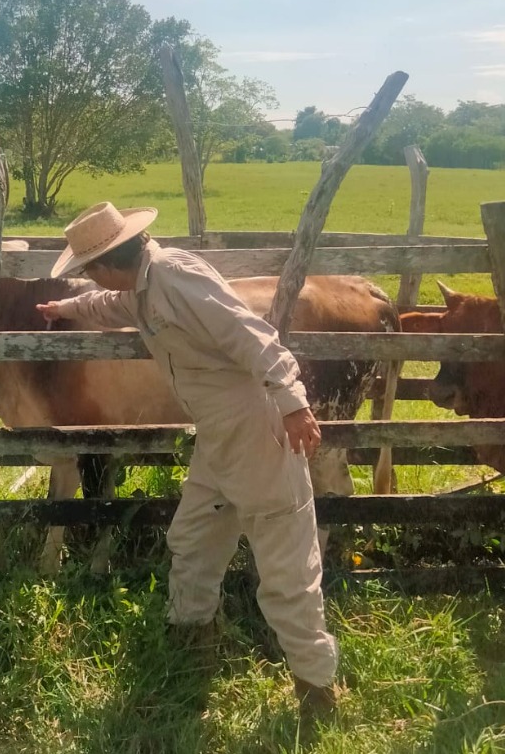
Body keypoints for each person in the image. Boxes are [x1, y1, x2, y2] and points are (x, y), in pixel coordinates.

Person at [36, 201, 339, 715]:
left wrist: (292, 402)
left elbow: (250, 332)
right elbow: (110, 305)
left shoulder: (175, 276)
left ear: (109, 261)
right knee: (194, 539)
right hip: (218, 436)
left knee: (285, 563)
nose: (89, 277)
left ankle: (316, 690)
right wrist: (66, 309)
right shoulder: (144, 286)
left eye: (88, 268)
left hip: (253, 428)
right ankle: (192, 646)